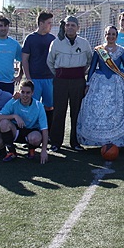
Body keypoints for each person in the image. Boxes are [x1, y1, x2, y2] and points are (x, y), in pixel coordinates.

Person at [77, 25, 124, 148]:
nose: (111, 36)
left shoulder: (122, 50)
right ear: (105, 35)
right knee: (97, 109)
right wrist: (88, 84)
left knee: (117, 110)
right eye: (108, 34)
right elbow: (92, 67)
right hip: (99, 83)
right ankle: (98, 140)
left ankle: (116, 138)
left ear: (117, 36)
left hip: (117, 84)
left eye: (113, 34)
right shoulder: (99, 50)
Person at [46, 15, 92, 152]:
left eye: (73, 25)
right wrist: (60, 74)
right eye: (68, 25)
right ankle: (56, 142)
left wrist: (80, 73)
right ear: (64, 27)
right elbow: (50, 62)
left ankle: (76, 142)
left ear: (78, 28)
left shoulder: (84, 43)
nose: (70, 27)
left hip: (78, 81)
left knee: (76, 111)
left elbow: (89, 60)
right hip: (60, 81)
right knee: (59, 111)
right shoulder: (56, 43)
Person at [0, 80, 49, 163]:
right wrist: (14, 116)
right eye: (22, 92)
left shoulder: (39, 106)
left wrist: (44, 150)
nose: (25, 95)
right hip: (16, 131)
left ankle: (31, 149)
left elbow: (44, 129)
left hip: (31, 132)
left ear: (32, 93)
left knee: (36, 138)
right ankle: (11, 152)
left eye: (28, 92)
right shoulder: (13, 101)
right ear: (19, 92)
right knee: (3, 123)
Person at [21, 11, 56, 129]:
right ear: (41, 23)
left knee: (49, 106)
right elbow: (24, 59)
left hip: (49, 79)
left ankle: (48, 131)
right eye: (49, 23)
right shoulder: (30, 38)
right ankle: (31, 132)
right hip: (34, 79)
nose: (51, 25)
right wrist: (28, 78)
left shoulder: (53, 39)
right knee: (32, 106)